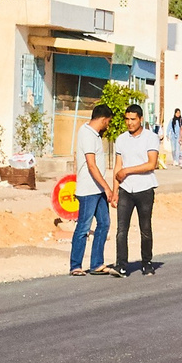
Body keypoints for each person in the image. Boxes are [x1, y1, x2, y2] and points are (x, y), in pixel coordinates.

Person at [111, 104, 166, 275]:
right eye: (127, 119)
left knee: (145, 227)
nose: (130, 123)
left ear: (141, 119)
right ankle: (121, 264)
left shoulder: (151, 138)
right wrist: (114, 191)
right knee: (121, 230)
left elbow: (152, 164)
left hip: (145, 187)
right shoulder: (121, 139)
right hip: (126, 189)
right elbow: (117, 166)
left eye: (133, 119)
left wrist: (127, 170)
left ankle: (147, 261)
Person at [69, 104, 116, 276]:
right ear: (103, 120)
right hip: (89, 189)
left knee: (104, 223)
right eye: (108, 122)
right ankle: (75, 265)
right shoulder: (87, 134)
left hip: (97, 189)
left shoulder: (94, 135)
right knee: (83, 227)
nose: (108, 126)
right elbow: (91, 165)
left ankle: (97, 263)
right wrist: (107, 187)